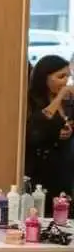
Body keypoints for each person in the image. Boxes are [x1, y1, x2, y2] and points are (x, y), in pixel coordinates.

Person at [25, 54, 73, 208]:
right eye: (61, 76)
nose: (66, 81)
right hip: (41, 171)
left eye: (68, 76)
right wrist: (59, 97)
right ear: (45, 78)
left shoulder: (69, 102)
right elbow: (36, 127)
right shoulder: (32, 101)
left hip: (64, 168)